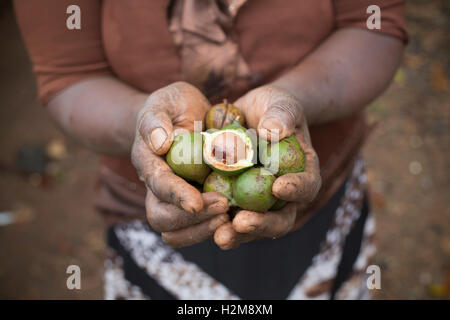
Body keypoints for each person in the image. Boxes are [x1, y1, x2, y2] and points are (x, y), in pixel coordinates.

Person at [14, 0, 407, 299]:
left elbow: (373, 22)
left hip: (325, 193)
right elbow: (68, 75)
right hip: (147, 208)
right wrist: (142, 120)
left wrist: (294, 99)